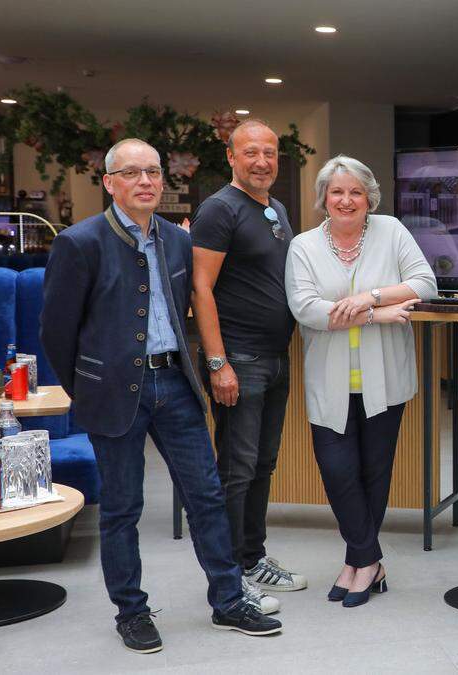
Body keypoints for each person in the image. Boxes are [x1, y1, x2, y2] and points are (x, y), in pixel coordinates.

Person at [40, 139, 281, 653]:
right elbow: (56, 332)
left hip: (174, 382)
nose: (145, 181)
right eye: (131, 173)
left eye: (152, 172)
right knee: (123, 508)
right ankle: (131, 612)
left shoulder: (177, 240)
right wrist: (85, 387)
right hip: (112, 392)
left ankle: (229, 601)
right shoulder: (80, 243)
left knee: (208, 496)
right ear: (109, 183)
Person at [285, 155, 437, 607]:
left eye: (356, 192)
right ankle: (370, 558)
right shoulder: (303, 246)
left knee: (375, 473)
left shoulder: (391, 231)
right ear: (323, 199)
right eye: (337, 192)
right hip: (328, 383)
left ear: (369, 198)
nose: (346, 200)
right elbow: (305, 308)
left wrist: (365, 297)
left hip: (385, 379)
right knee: (337, 472)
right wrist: (378, 314)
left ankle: (359, 564)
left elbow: (425, 283)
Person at [190, 119, 305, 614]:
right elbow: (201, 288)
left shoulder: (274, 208)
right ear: (232, 158)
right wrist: (218, 363)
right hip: (237, 359)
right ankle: (230, 578)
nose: (262, 161)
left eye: (270, 153)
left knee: (262, 465)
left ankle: (252, 557)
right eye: (250, 152)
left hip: (275, 358)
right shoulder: (219, 209)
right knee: (235, 471)